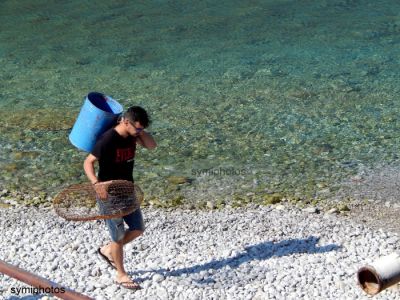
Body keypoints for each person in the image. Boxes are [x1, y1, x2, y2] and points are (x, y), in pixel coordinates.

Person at [83, 106, 157, 290]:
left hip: (128, 190)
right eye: (137, 128)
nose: (139, 132)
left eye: (141, 128)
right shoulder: (108, 139)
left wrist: (139, 132)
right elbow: (88, 162)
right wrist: (95, 183)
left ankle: (107, 251)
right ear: (125, 122)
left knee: (138, 228)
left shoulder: (133, 134)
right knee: (117, 236)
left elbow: (151, 146)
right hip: (109, 195)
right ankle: (121, 274)